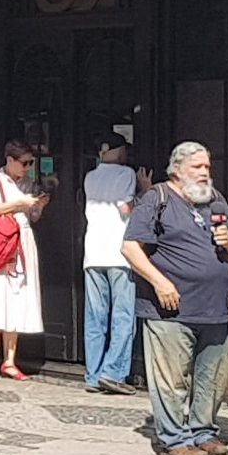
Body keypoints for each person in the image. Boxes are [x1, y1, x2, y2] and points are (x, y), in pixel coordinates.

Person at [122, 141, 228, 455]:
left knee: (212, 378)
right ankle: (174, 438)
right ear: (177, 170)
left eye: (207, 167)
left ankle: (204, 431)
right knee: (172, 380)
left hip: (214, 307)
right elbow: (131, 248)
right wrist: (159, 282)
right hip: (170, 309)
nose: (205, 173)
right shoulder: (156, 199)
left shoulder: (215, 201)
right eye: (197, 167)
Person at [0, 140, 49, 381]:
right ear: (10, 160)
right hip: (0, 243)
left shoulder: (27, 183)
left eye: (30, 163)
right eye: (24, 162)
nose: (27, 167)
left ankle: (9, 359)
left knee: (17, 298)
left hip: (22, 242)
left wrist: (38, 206)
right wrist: (19, 203)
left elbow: (33, 216)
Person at [83, 132, 149, 395]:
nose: (125, 154)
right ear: (108, 149)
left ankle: (93, 373)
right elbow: (125, 209)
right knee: (122, 315)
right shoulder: (126, 174)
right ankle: (114, 372)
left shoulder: (90, 176)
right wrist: (144, 192)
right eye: (122, 149)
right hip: (119, 252)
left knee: (95, 316)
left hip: (92, 252)